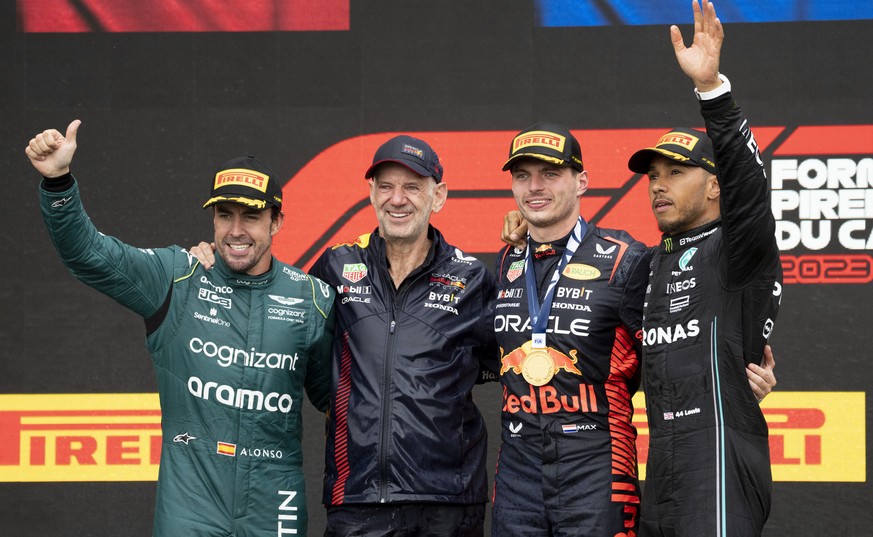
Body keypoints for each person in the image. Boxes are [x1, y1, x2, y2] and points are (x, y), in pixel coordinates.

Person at [25, 120, 336, 537]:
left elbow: (341, 399)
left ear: (276, 221)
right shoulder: (176, 277)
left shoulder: (312, 298)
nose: (236, 231)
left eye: (252, 216)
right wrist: (58, 183)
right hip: (191, 505)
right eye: (225, 215)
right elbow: (88, 253)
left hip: (274, 501)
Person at [192, 134, 500, 536]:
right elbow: (274, 304)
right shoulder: (337, 266)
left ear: (437, 195)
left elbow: (504, 365)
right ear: (371, 193)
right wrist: (219, 266)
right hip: (358, 499)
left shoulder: (472, 278)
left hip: (448, 503)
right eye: (386, 186)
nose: (397, 199)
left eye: (412, 187)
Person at [628, 1, 782, 535]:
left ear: (715, 186)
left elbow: (749, 186)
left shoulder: (738, 246)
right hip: (664, 465)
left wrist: (712, 90)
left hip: (720, 456)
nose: (658, 185)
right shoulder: (650, 262)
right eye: (652, 175)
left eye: (676, 172)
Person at [491, 121, 651, 536]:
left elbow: (668, 353)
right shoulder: (508, 261)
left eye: (550, 174)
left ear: (581, 182)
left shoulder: (624, 258)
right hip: (517, 469)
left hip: (595, 463)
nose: (534, 187)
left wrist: (737, 381)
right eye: (522, 176)